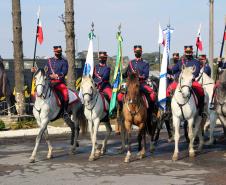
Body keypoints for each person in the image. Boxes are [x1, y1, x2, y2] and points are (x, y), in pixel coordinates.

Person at [31, 45, 69, 118]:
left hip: (59, 82)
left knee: (65, 93)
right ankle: (37, 108)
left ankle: (65, 111)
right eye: (58, 52)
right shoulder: (49, 61)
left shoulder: (64, 62)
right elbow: (44, 70)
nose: (59, 53)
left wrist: (57, 75)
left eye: (60, 52)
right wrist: (35, 70)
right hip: (49, 82)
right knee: (38, 90)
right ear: (54, 52)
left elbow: (64, 72)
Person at [166, 46, 205, 116]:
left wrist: (191, 77)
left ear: (192, 52)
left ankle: (201, 110)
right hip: (180, 82)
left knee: (201, 90)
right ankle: (168, 109)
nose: (188, 54)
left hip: (191, 81)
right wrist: (166, 68)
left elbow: (197, 72)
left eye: (190, 52)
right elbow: (173, 70)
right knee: (168, 90)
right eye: (187, 52)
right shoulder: (180, 61)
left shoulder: (196, 61)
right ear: (184, 52)